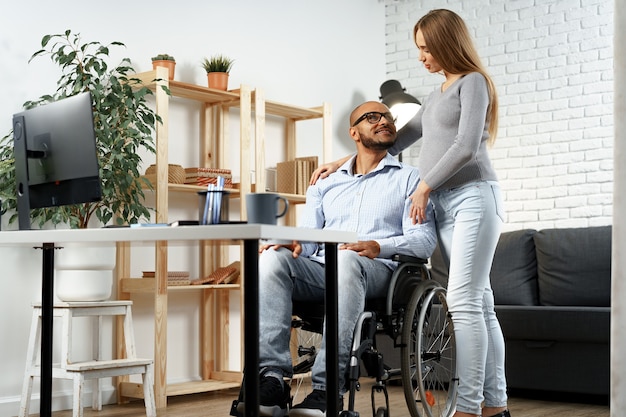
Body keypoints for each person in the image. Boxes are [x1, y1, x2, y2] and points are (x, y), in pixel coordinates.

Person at [310, 9, 509, 417]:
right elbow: (395, 144)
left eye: (425, 48)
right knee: (481, 304)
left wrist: (423, 185)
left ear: (445, 43)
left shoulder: (473, 84)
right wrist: (341, 162)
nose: (421, 57)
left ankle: (469, 408)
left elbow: (468, 145)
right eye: (418, 49)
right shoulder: (438, 95)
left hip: (473, 197)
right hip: (448, 205)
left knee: (464, 302)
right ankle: (496, 406)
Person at [234, 100, 437, 417]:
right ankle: (272, 380)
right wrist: (295, 243)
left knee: (345, 260)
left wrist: (376, 246)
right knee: (272, 258)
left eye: (387, 116)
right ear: (354, 133)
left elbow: (424, 241)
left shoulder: (411, 179)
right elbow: (312, 240)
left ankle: (327, 389)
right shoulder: (325, 182)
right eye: (373, 117)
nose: (383, 120)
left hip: (380, 274)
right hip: (325, 272)